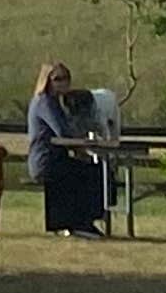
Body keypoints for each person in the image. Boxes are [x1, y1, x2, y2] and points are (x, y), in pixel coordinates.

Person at [27, 57, 110, 237]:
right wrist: (82, 147)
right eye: (57, 79)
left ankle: (75, 221)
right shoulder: (45, 102)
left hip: (57, 158)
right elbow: (63, 132)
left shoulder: (55, 102)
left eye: (66, 78)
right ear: (47, 81)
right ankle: (81, 223)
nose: (63, 83)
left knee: (93, 170)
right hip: (45, 161)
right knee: (93, 173)